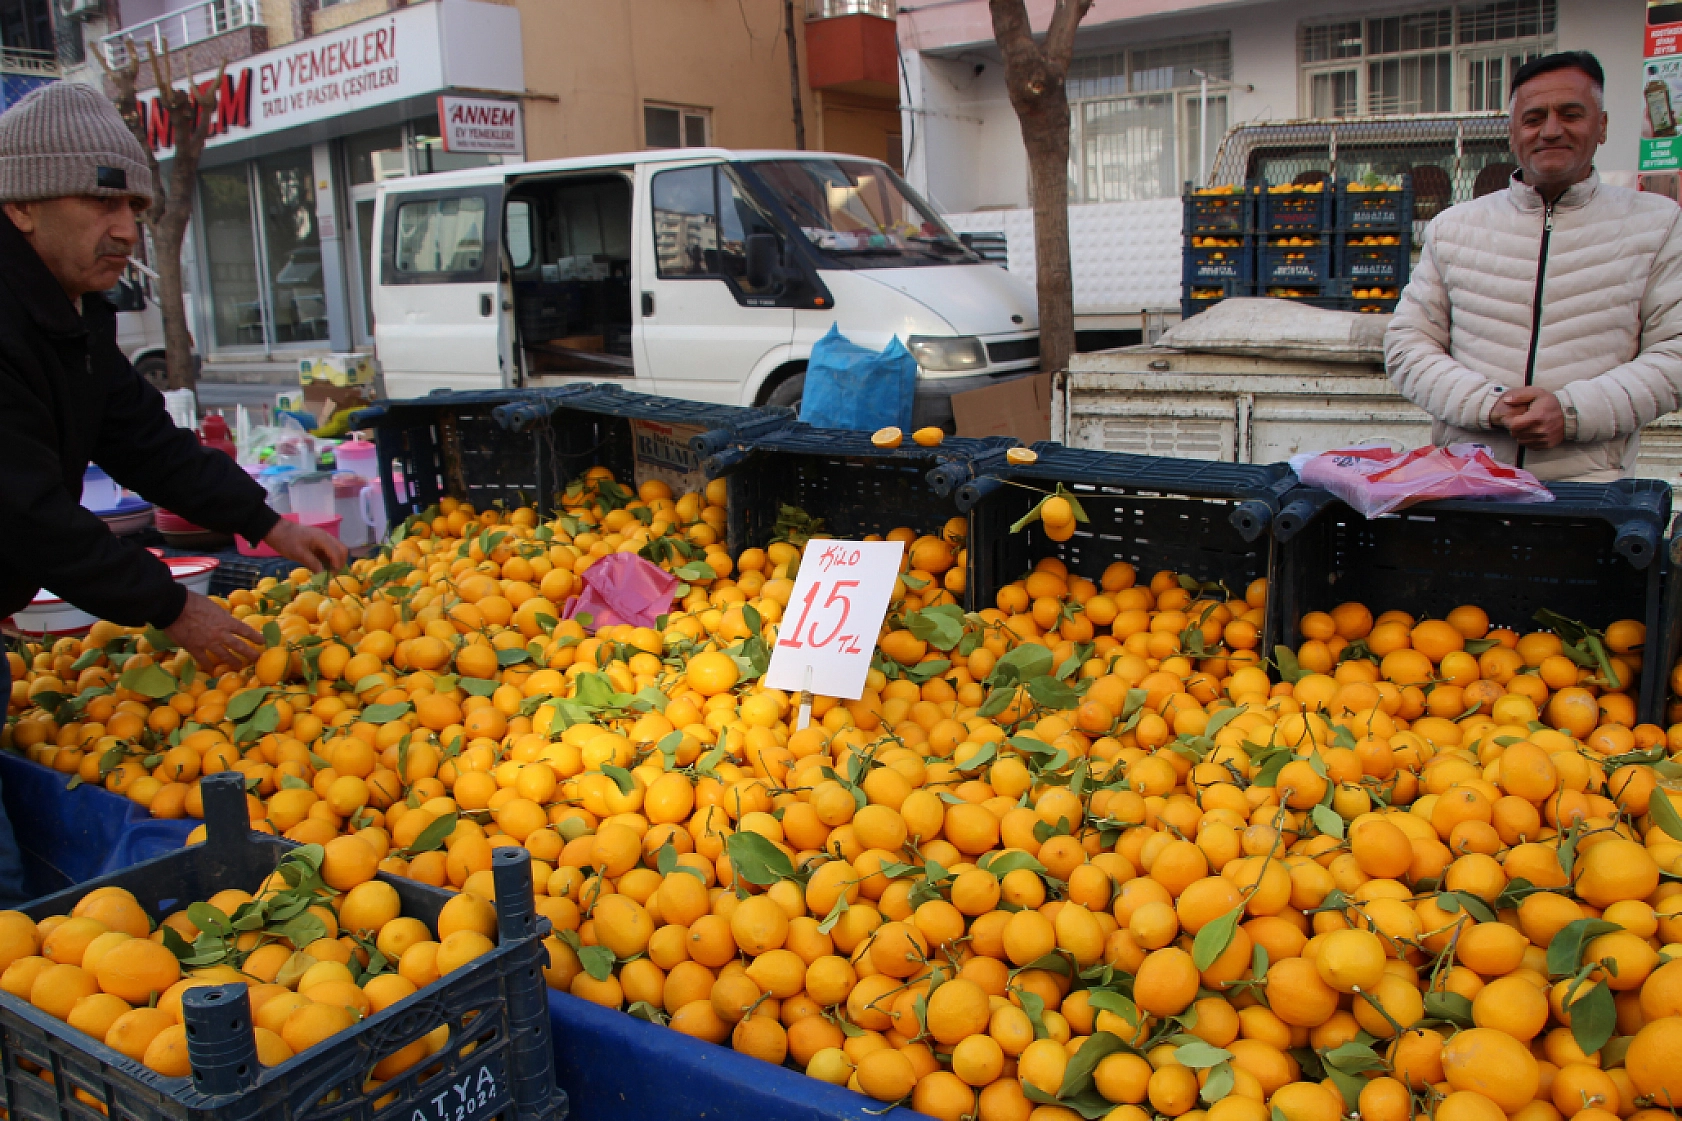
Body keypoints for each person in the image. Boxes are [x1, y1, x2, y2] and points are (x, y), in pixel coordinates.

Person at [0, 82, 347, 902]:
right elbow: (26, 513)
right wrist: (172, 608)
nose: (126, 228)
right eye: (101, 199)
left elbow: (147, 443)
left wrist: (269, 524)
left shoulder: (69, 312)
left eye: (135, 206)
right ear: (20, 205)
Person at [1386, 51, 1682, 482]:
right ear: (1512, 133)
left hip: (1589, 500)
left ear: (1601, 126)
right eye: (1533, 117)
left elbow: (1674, 353)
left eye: (1571, 114)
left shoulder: (1657, 224)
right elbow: (1406, 346)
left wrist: (1571, 413)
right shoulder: (1454, 228)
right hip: (1467, 489)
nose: (1551, 130)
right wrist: (1490, 405)